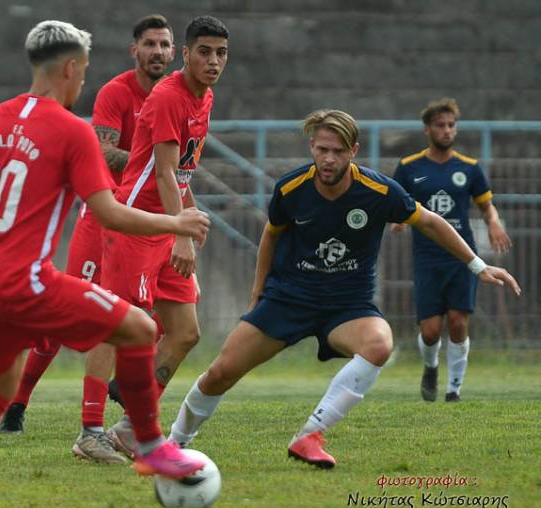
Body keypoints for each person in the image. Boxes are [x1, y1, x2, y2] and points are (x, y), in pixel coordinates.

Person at [0, 20, 211, 508]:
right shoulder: (73, 131)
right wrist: (177, 224)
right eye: (83, 72)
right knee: (137, 327)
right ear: (71, 68)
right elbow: (109, 214)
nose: (83, 80)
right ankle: (149, 445)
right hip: (25, 279)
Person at [167, 109, 521, 469]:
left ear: (353, 150)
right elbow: (271, 235)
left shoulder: (379, 191)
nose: (328, 159)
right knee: (220, 372)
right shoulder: (291, 189)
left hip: (347, 305)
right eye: (322, 150)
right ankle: (173, 443)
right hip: (289, 298)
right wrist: (258, 292)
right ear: (312, 146)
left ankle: (309, 435)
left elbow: (429, 222)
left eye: (338, 151)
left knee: (379, 343)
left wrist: (478, 265)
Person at [0, 14, 177, 466]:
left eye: (164, 44)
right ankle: (18, 403)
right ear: (134, 51)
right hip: (105, 217)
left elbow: (179, 166)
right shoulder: (117, 93)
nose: (157, 52)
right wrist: (152, 162)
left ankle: (118, 414)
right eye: (150, 44)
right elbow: (103, 150)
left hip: (148, 222)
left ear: (174, 52)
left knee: (159, 320)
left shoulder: (178, 97)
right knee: (70, 320)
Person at [101, 15, 229, 458]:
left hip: (168, 221)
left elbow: (183, 170)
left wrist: (188, 218)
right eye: (205, 52)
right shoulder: (169, 96)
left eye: (221, 53)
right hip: (138, 222)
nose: (213, 61)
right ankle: (91, 428)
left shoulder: (205, 96)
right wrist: (182, 232)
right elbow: (162, 172)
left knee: (186, 332)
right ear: (186, 54)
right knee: (129, 327)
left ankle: (128, 427)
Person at [391, 98, 512, 402]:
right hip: (426, 257)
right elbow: (396, 205)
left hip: (462, 256)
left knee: (458, 322)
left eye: (451, 125)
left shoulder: (469, 167)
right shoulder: (408, 167)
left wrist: (494, 223)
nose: (447, 130)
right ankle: (431, 367)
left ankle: (454, 389)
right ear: (427, 129)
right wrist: (398, 220)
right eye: (440, 125)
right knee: (430, 330)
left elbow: (487, 206)